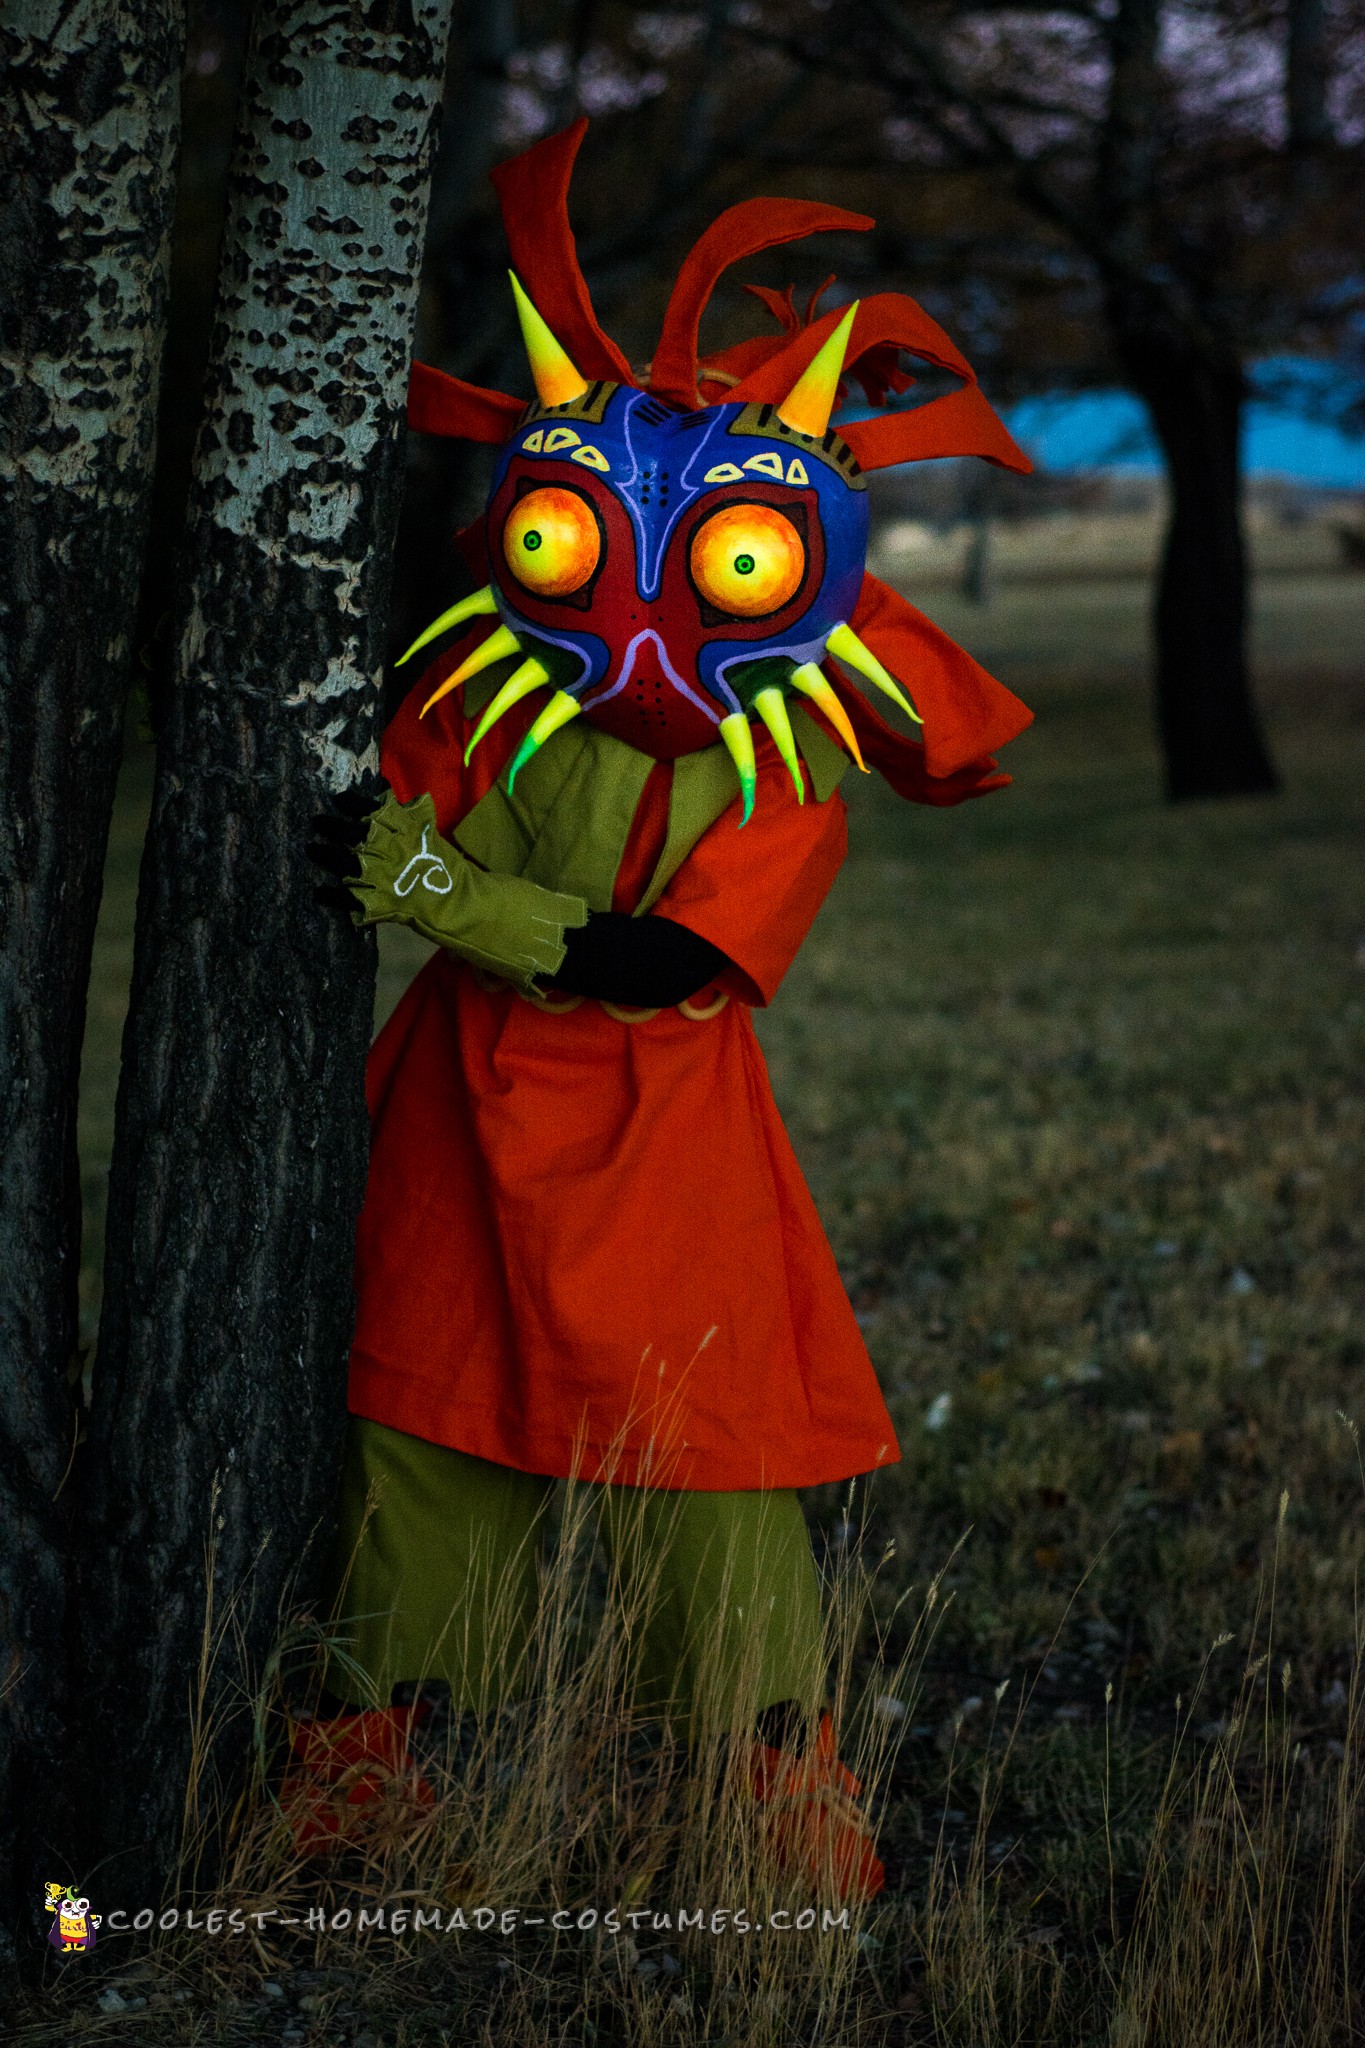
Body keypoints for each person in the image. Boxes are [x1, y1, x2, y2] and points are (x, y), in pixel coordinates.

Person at [291, 119, 1032, 1901]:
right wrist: (416, 872)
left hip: (668, 1166)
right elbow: (376, 811)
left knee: (701, 1482)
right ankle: (369, 1788)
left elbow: (668, 965)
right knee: (427, 1435)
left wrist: (450, 898)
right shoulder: (490, 701)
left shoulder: (781, 777)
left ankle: (769, 1820)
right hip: (461, 1130)